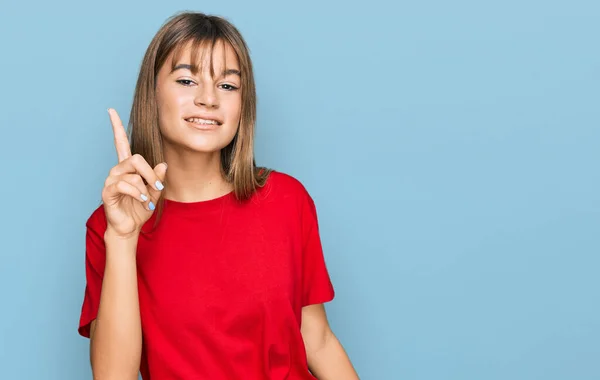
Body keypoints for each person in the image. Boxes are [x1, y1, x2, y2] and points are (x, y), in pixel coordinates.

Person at [77, 11, 359, 380]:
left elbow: (318, 340)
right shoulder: (110, 228)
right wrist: (124, 238)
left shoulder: (287, 200)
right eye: (186, 80)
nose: (208, 99)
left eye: (227, 86)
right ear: (152, 93)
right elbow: (114, 376)